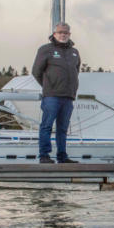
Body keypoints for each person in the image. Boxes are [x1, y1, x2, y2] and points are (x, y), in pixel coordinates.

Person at [32, 22, 80, 163]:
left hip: (68, 97)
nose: (63, 35)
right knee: (46, 126)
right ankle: (44, 155)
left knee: (63, 128)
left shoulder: (74, 52)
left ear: (69, 34)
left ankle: (62, 156)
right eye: (60, 32)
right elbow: (36, 72)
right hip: (52, 96)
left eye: (66, 33)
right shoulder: (45, 49)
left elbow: (76, 71)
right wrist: (48, 86)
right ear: (54, 34)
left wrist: (72, 88)